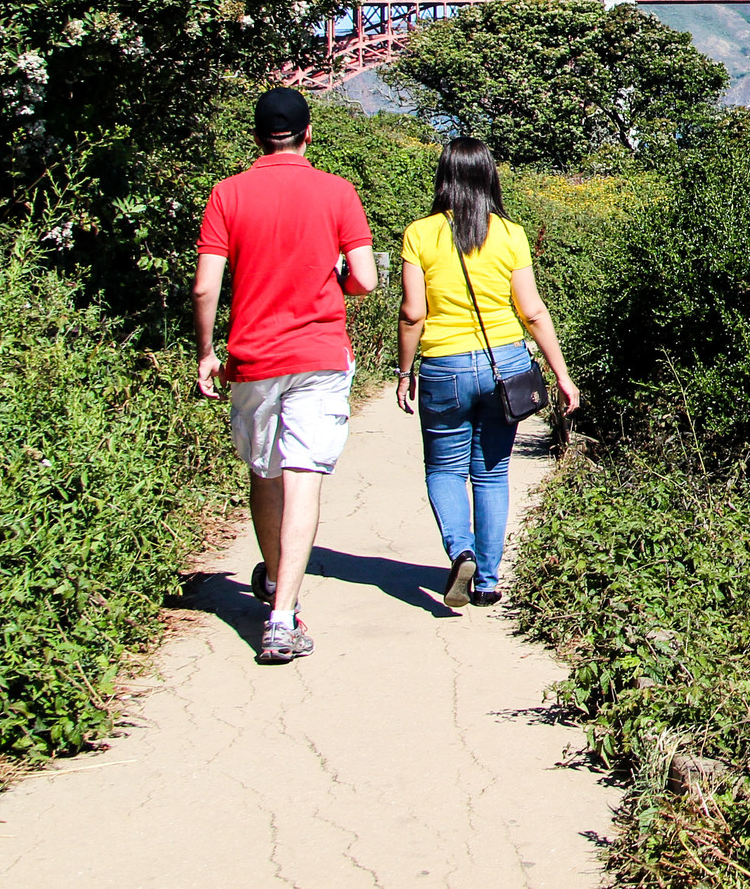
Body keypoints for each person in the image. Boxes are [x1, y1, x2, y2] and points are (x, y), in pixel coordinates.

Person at [193, 87, 378, 665]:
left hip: (253, 357)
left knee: (264, 469)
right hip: (320, 355)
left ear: (255, 137)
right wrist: (334, 283)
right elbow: (366, 281)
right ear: (308, 134)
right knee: (304, 474)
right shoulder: (337, 192)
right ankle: (281, 618)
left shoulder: (228, 194)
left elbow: (205, 285)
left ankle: (276, 581)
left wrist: (206, 352)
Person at [395, 139, 580, 608]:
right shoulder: (510, 234)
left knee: (443, 468)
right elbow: (533, 311)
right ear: (490, 177)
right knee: (492, 472)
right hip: (506, 365)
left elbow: (413, 313)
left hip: (445, 367)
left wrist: (403, 371)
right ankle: (488, 581)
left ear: (444, 178)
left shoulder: (419, 234)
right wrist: (561, 373)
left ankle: (461, 549)